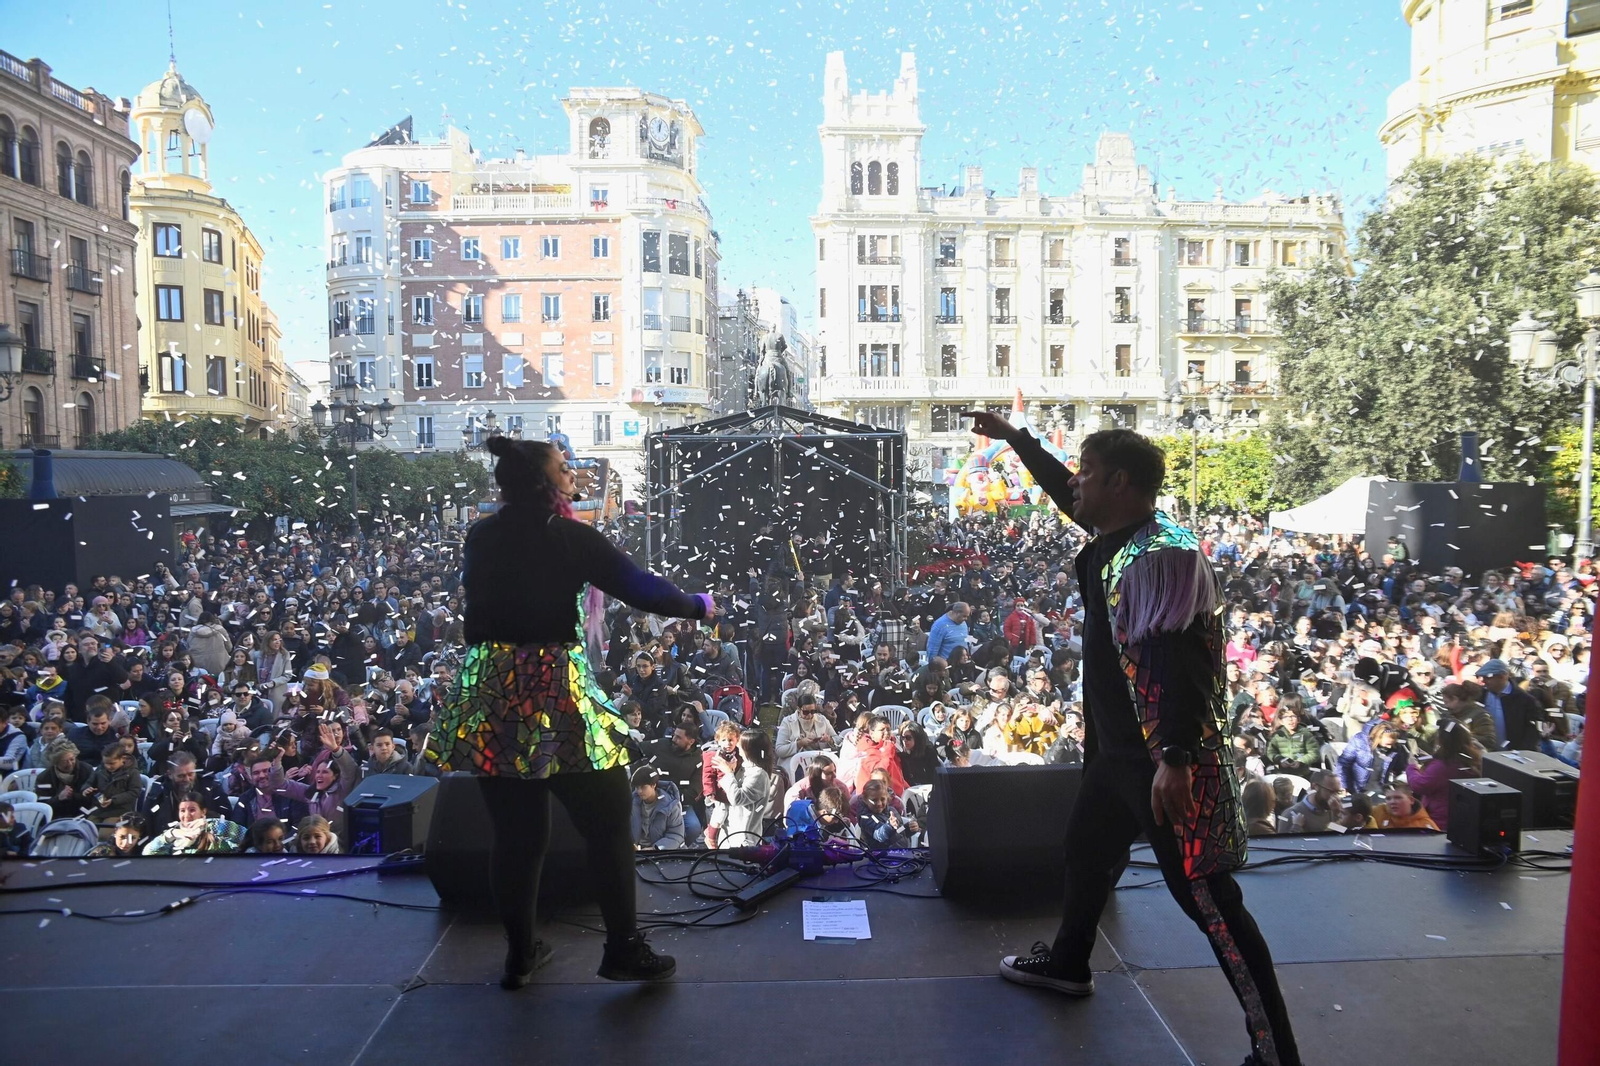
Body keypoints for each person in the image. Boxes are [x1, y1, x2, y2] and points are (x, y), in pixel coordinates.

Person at [969, 411, 1300, 1066]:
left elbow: (1184, 667)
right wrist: (1017, 441)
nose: (1076, 486)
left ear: (1119, 483)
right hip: (1117, 757)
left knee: (1209, 902)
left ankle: (1276, 1051)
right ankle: (1068, 963)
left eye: (1088, 474)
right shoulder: (1116, 536)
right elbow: (1063, 487)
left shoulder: (1161, 556)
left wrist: (1174, 759)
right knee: (1087, 852)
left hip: (1159, 763)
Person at [424, 436, 711, 989]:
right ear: (543, 482)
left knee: (517, 834)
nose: (573, 473)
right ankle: (623, 948)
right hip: (548, 689)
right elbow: (642, 589)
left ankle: (519, 953)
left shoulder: (481, 535)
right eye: (564, 468)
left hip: (489, 690)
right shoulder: (568, 537)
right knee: (606, 818)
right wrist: (699, 605)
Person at [1405, 718, 1484, 832]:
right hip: (1464, 818)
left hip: (1440, 821)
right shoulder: (1473, 758)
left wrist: (1412, 767)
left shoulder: (1443, 765)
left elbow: (1420, 785)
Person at [1475, 659, 1549, 751]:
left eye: (1488, 677)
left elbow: (1534, 728)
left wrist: (1523, 750)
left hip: (1513, 754)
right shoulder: (1480, 695)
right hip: (1485, 752)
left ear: (1502, 677)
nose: (1484, 681)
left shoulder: (1525, 700)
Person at [142, 794, 246, 855]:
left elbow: (246, 836)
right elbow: (147, 853)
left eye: (192, 810)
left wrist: (208, 825)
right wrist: (171, 834)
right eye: (182, 810)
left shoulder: (215, 827)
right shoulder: (175, 834)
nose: (186, 815)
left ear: (203, 812)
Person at [629, 765, 686, 850]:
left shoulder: (671, 805)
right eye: (637, 787)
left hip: (661, 852)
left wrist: (654, 849)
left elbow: (676, 835)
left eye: (643, 787)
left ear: (653, 785)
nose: (639, 791)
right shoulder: (631, 802)